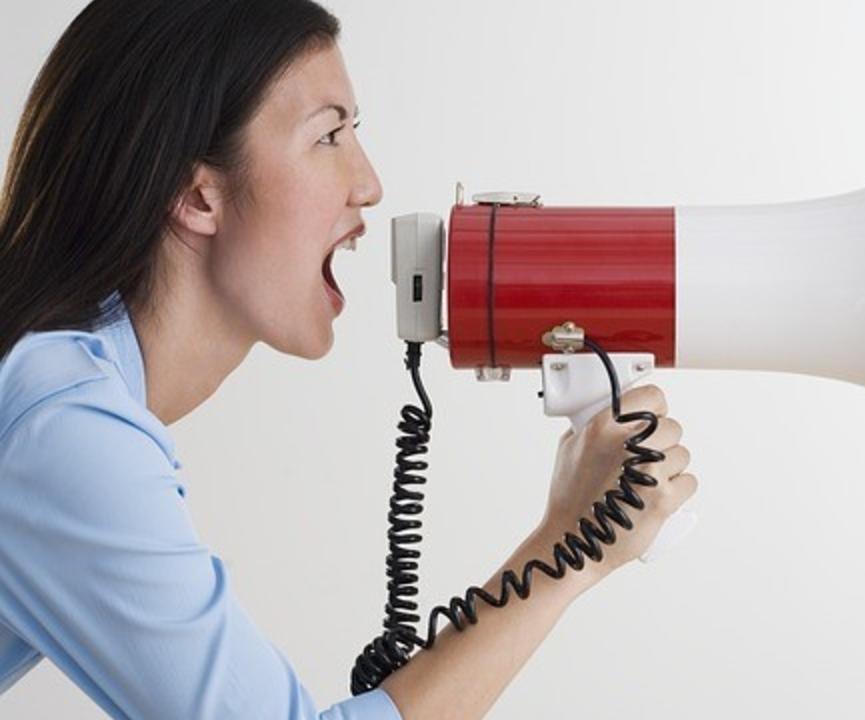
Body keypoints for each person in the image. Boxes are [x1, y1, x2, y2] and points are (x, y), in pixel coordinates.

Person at [0, 1, 698, 718]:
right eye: (329, 134)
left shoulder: (53, 395)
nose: (368, 183)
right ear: (197, 193)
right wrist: (570, 547)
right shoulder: (63, 429)